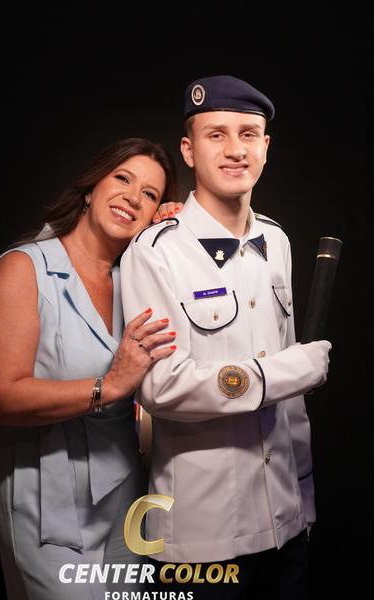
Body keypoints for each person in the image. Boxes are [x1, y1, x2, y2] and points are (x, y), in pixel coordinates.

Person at [120, 76, 332, 599]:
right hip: (202, 537)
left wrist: (305, 498)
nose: (235, 149)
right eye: (216, 135)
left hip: (286, 522)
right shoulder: (156, 251)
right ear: (189, 151)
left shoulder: (275, 240)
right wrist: (281, 374)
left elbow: (293, 400)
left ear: (266, 147)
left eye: (248, 134)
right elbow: (162, 388)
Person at [0, 137, 182, 600]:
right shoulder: (24, 268)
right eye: (122, 178)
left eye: (150, 194)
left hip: (126, 491)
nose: (133, 198)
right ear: (91, 188)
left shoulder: (136, 280)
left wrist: (179, 236)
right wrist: (109, 386)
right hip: (45, 490)